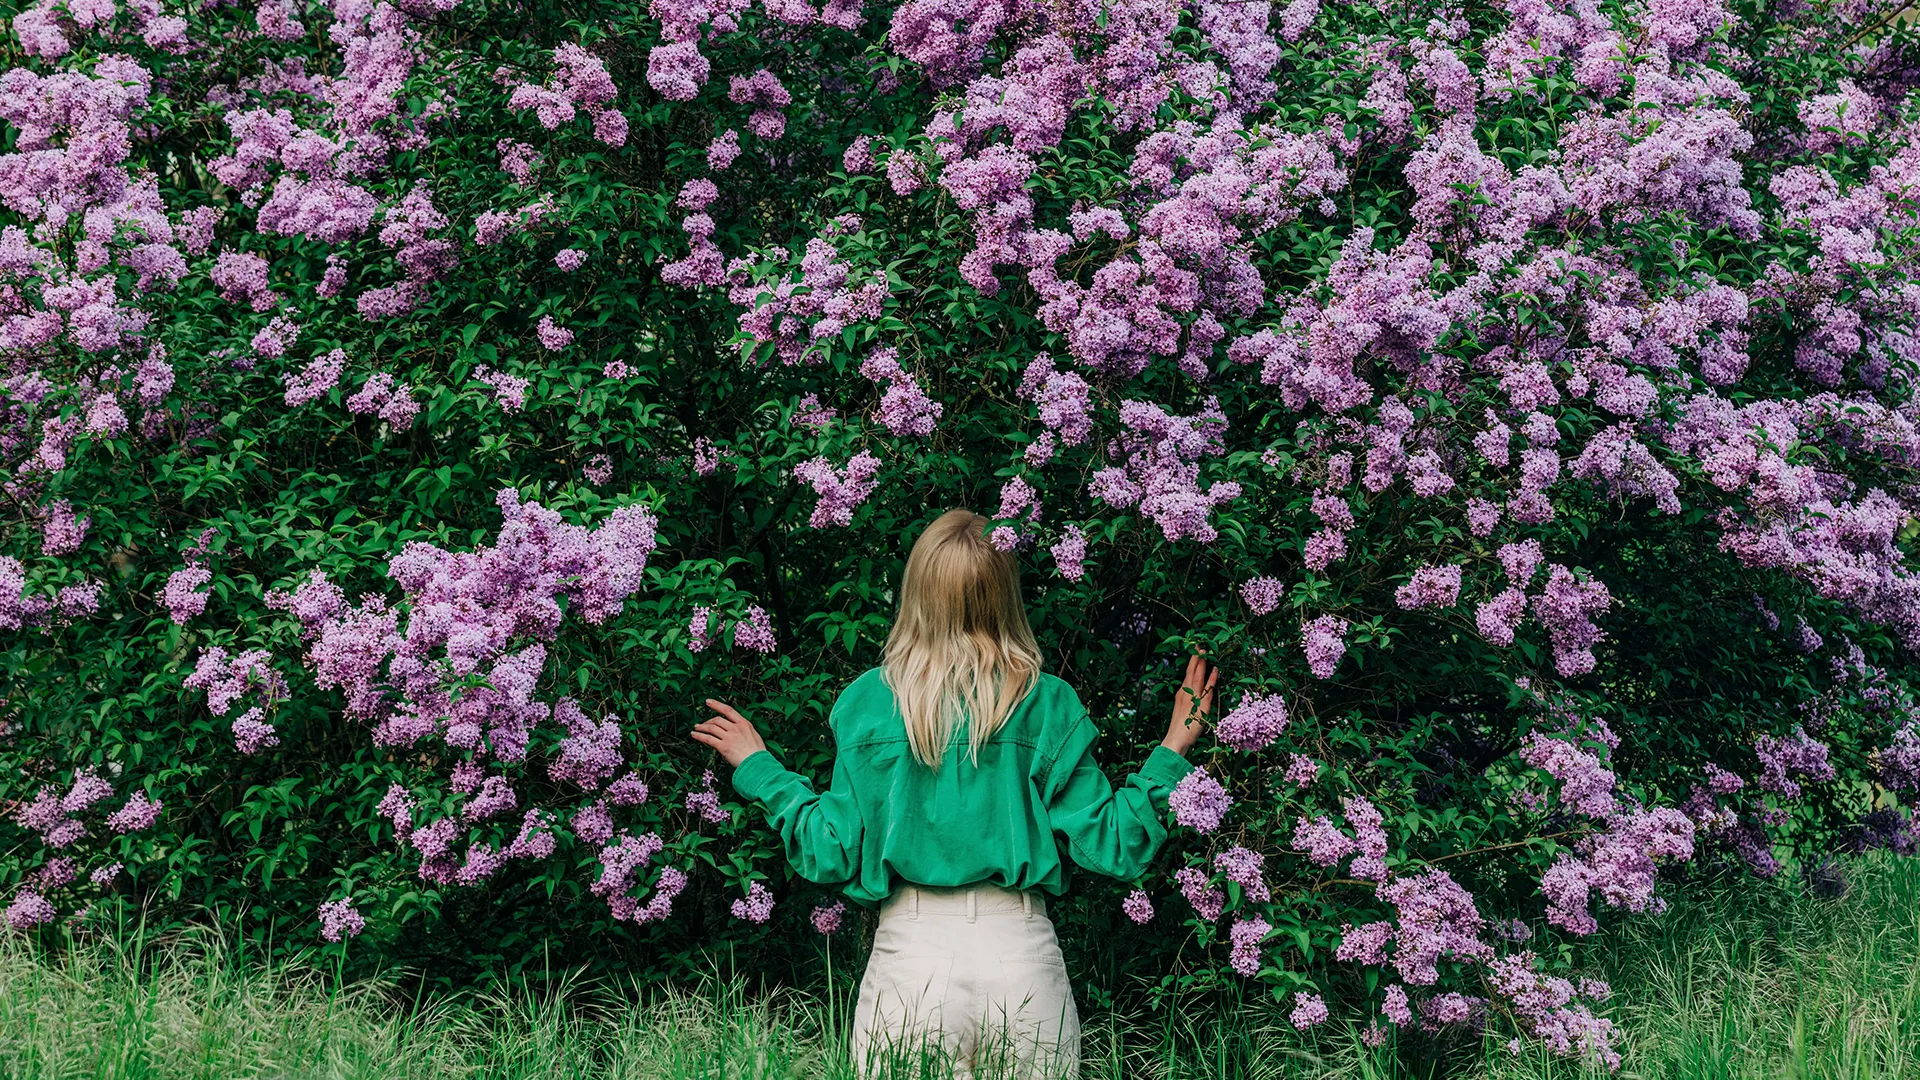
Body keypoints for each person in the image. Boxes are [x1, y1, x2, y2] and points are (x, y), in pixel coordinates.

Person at [691, 508, 1218, 1079]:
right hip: (1020, 953)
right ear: (1005, 594)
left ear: (917, 591)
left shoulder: (870, 702)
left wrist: (760, 768)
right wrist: (1173, 746)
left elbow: (829, 848)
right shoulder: (1047, 704)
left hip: (911, 959)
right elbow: (1114, 844)